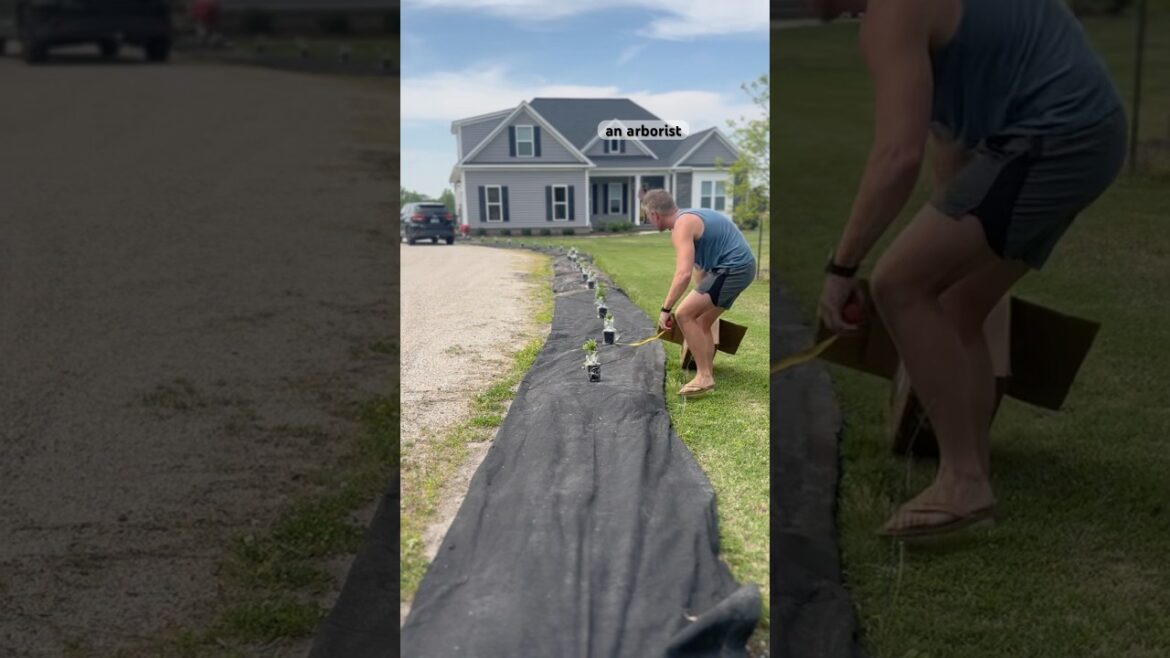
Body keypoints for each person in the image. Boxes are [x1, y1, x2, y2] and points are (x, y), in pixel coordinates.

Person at [806, 0, 1126, 537]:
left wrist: (841, 269)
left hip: (1052, 136)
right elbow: (948, 142)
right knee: (956, 302)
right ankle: (971, 470)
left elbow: (895, 158)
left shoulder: (891, 15)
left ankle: (963, 480)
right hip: (1088, 130)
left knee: (897, 283)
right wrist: (946, 240)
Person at [642, 189, 756, 397]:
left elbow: (683, 274)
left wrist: (666, 309)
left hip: (733, 268)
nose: (649, 220)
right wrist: (699, 297)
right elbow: (700, 269)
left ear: (654, 214)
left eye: (647, 216)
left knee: (684, 314)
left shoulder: (681, 226)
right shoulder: (690, 217)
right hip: (741, 268)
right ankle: (705, 372)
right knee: (701, 319)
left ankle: (704, 377)